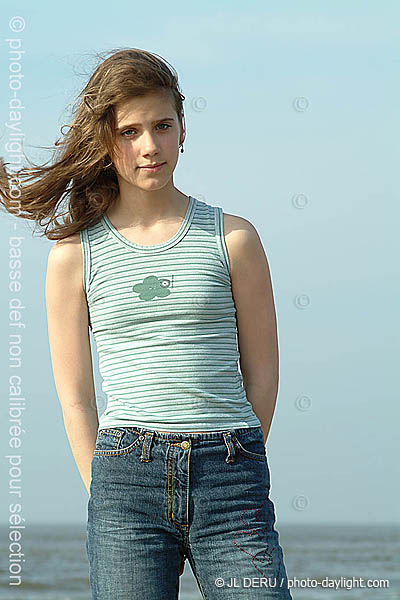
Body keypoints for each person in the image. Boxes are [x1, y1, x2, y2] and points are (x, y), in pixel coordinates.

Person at [0, 47, 292, 599]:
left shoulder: (234, 240)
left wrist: (236, 459)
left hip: (231, 480)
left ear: (183, 129)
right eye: (130, 131)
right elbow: (76, 397)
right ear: (105, 142)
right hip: (124, 483)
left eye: (162, 125)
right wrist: (104, 490)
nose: (149, 146)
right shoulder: (73, 256)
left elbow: (264, 376)